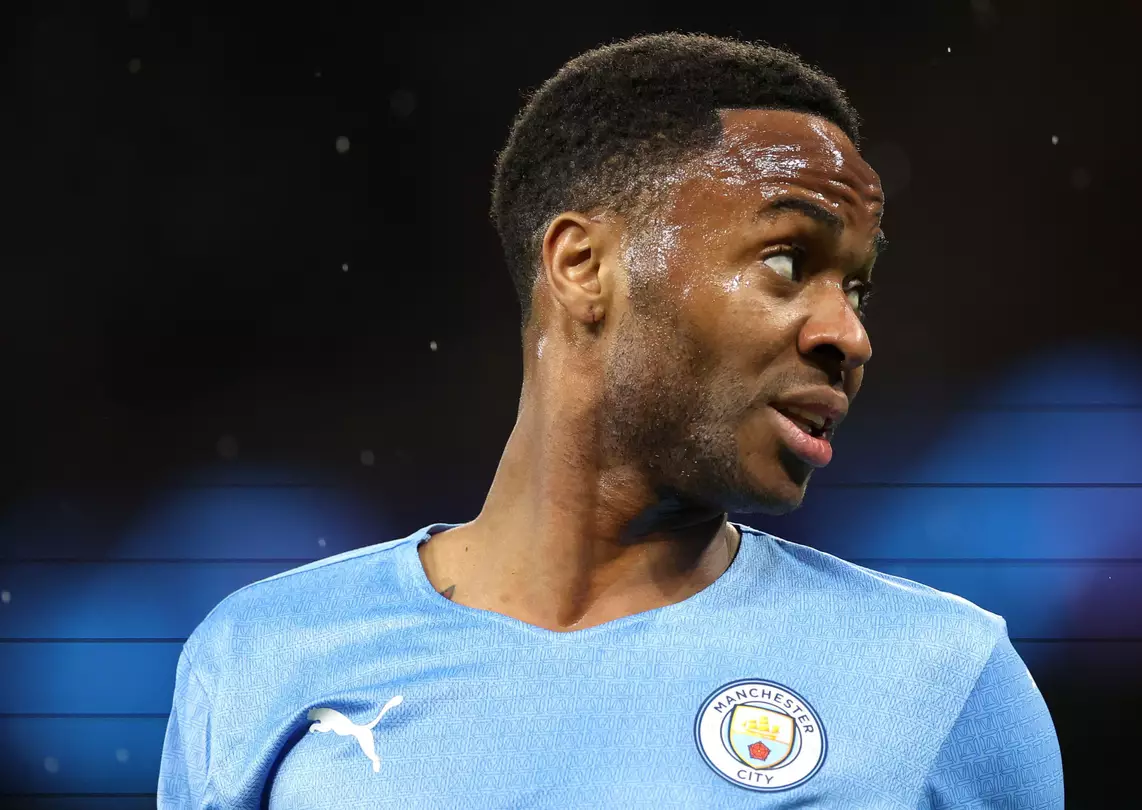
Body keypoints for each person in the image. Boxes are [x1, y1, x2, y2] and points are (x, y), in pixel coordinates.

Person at [159, 32, 1063, 808]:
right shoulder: (260, 660)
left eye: (857, 286)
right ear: (584, 266)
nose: (848, 334)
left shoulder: (942, 681)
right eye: (789, 263)